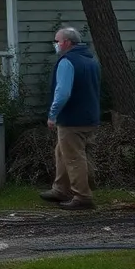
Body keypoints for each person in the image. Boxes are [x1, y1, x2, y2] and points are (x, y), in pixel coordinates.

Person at [40, 26, 101, 210]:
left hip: (72, 119)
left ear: (66, 42)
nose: (56, 45)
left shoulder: (68, 62)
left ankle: (82, 196)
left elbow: (63, 92)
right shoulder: (91, 60)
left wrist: (53, 114)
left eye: (57, 41)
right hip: (89, 116)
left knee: (74, 158)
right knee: (62, 152)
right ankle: (60, 188)